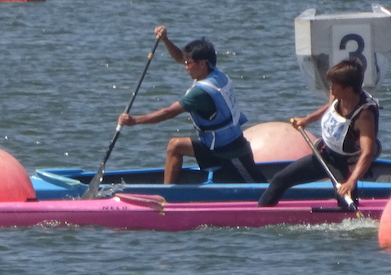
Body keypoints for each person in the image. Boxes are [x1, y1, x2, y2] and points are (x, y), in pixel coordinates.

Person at [118, 26, 265, 184]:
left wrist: (135, 121)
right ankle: (167, 192)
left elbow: (168, 112)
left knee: (259, 186)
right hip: (218, 144)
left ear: (202, 64)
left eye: (189, 64)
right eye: (186, 63)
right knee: (175, 146)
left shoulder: (200, 93)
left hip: (229, 151)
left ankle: (168, 193)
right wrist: (166, 40)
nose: (186, 67)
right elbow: (180, 57)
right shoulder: (216, 73)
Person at [258, 58, 380, 207]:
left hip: (344, 164)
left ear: (348, 89)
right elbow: (330, 106)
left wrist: (351, 182)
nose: (331, 88)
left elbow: (367, 153)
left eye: (334, 85)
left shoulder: (364, 116)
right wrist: (307, 120)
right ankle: (260, 213)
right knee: (280, 179)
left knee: (347, 204)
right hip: (323, 155)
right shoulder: (338, 95)